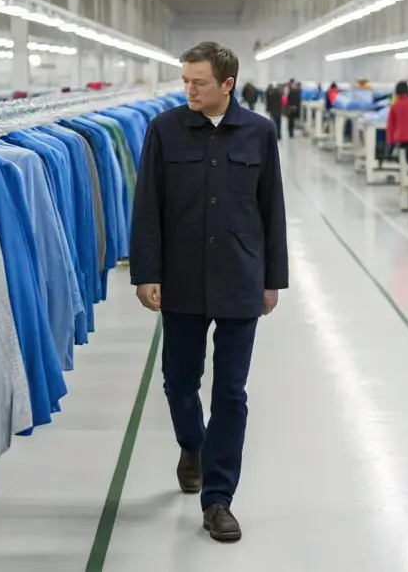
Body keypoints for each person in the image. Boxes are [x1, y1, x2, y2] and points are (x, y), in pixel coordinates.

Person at [130, 41, 289, 543]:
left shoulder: (259, 132)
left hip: (240, 276)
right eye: (185, 80)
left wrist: (272, 280)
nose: (188, 90)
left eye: (198, 82)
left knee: (231, 392)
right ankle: (192, 443)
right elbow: (147, 206)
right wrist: (146, 272)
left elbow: (272, 209)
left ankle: (218, 499)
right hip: (181, 278)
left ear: (227, 84)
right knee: (179, 381)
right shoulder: (164, 130)